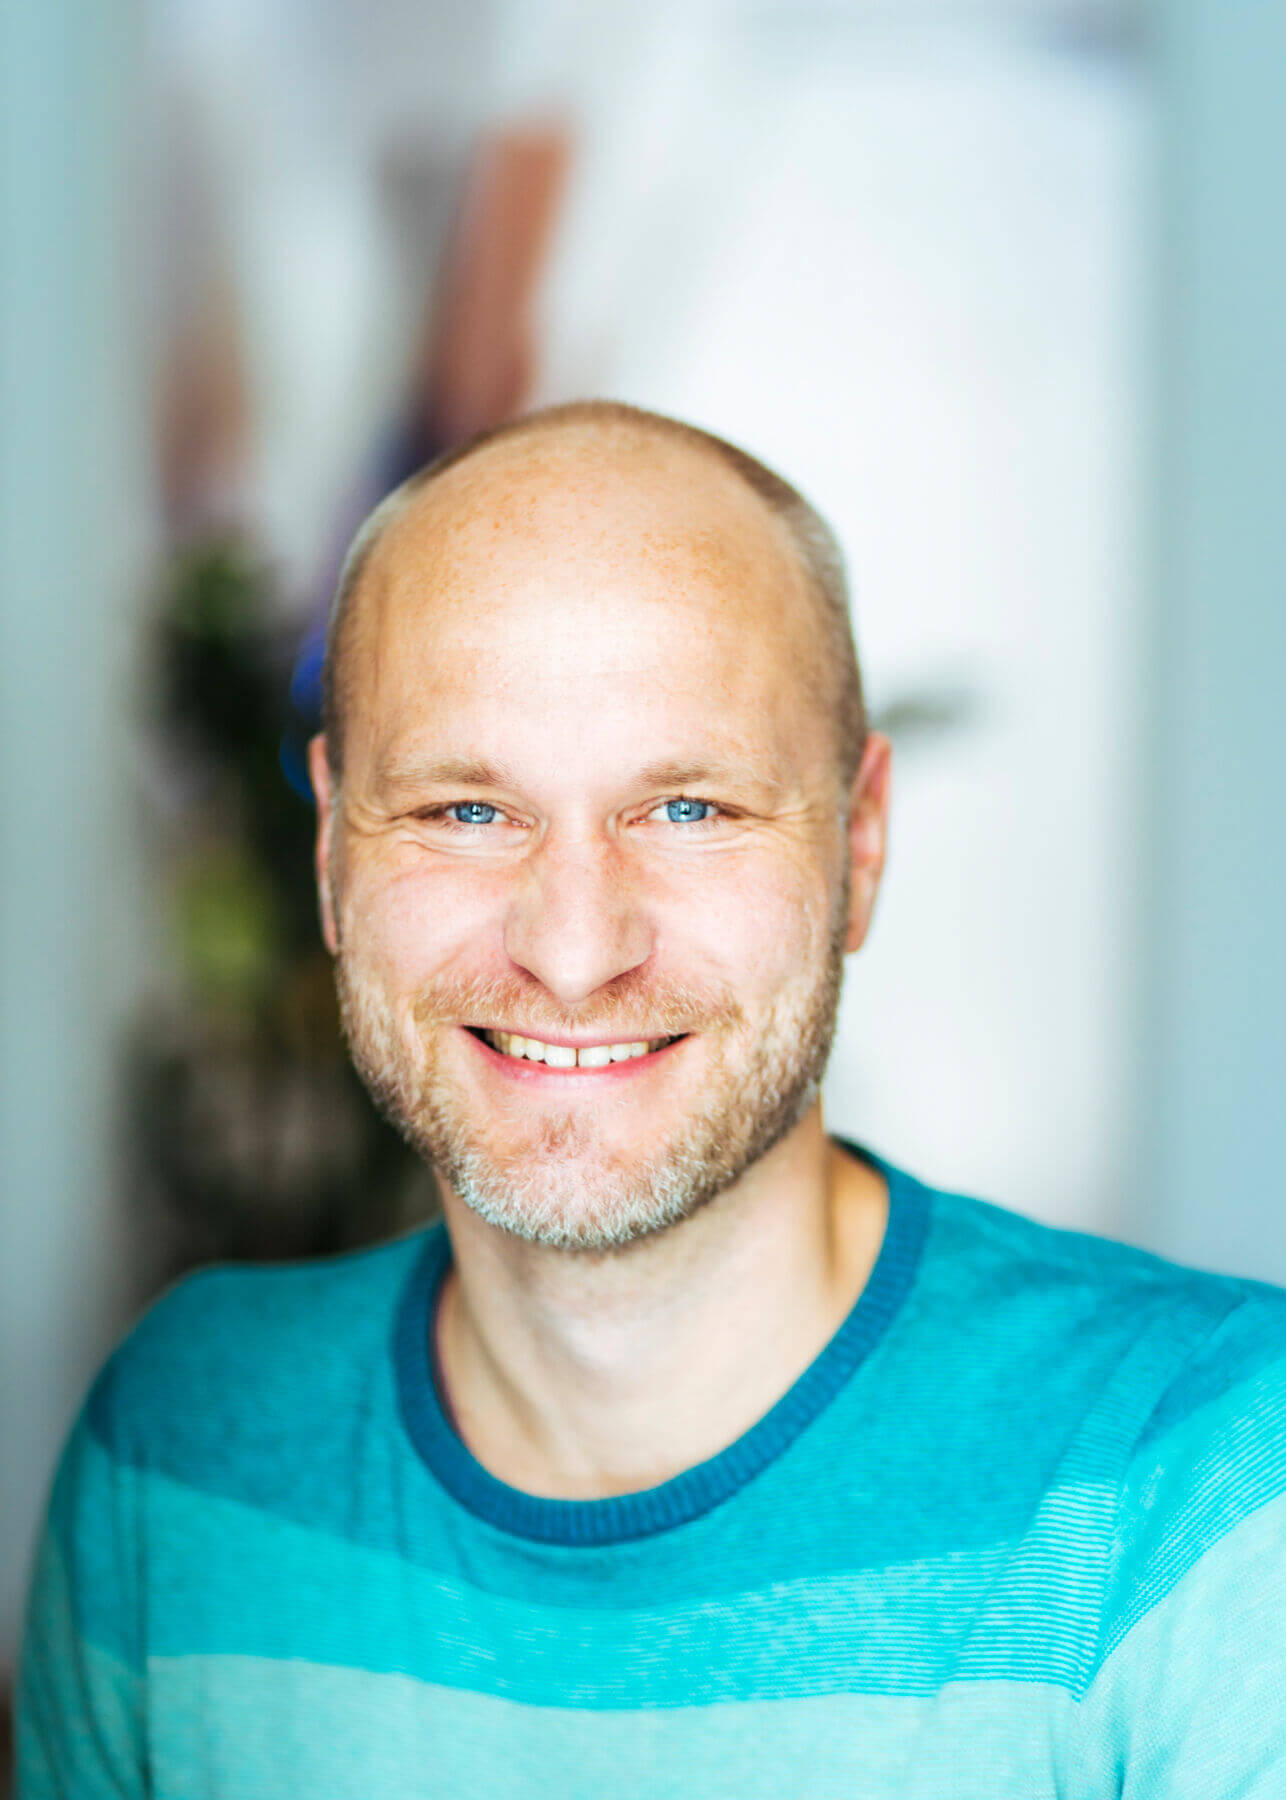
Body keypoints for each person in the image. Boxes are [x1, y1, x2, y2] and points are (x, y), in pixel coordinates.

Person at [15, 400, 1286, 1797]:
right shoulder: (178, 1453)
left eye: (689, 810)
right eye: (464, 810)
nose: (573, 951)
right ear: (331, 852)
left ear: (859, 843)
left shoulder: (1211, 1477)